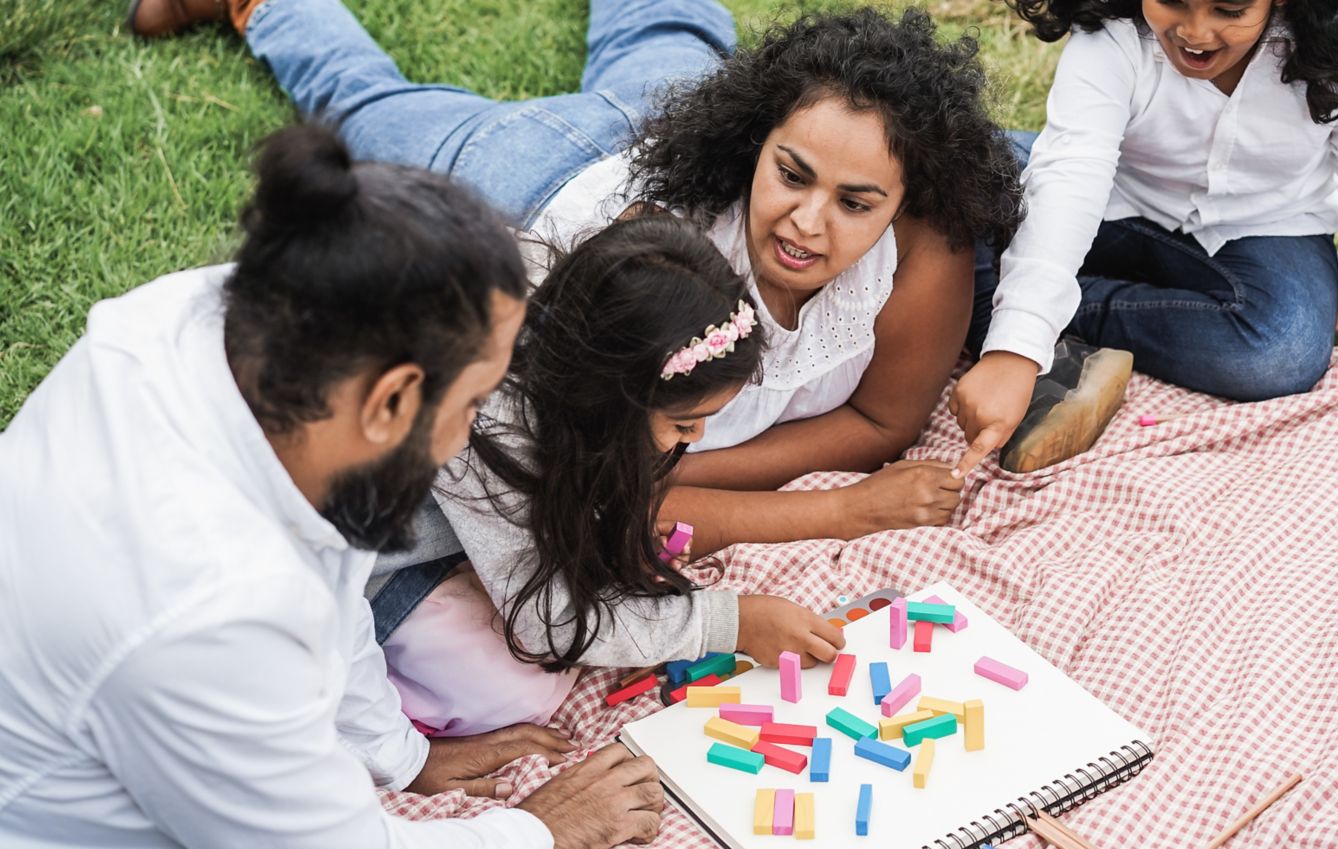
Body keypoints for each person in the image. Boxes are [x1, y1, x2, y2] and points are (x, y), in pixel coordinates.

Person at [128, 0, 1028, 551]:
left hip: (666, 130)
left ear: (905, 198)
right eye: (790, 173)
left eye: (855, 201)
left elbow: (881, 418)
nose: (806, 221)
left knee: (668, 30)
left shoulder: (927, 248)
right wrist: (796, 501)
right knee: (367, 109)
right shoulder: (647, 264)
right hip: (533, 174)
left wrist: (680, 475)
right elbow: (605, 499)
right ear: (755, 136)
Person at [0, 124, 662, 849]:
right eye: (473, 404)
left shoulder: (227, 327)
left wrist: (401, 755)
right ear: (389, 403)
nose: (471, 432)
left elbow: (333, 568)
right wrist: (541, 828)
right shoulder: (211, 610)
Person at [373, 215, 848, 738]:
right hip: (363, 575)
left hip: (448, 514)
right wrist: (731, 623)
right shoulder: (484, 421)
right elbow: (544, 624)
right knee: (515, 687)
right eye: (682, 423)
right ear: (612, 398)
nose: (690, 441)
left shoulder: (582, 315)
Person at [949, 0, 1338, 475]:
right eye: (1172, 2)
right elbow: (1071, 175)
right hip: (1114, 199)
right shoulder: (1113, 27)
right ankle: (1025, 331)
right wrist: (1014, 346)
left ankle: (1013, 315)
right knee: (951, 171)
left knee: (1283, 350)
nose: (1195, 32)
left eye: (1229, 10)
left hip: (1263, 226)